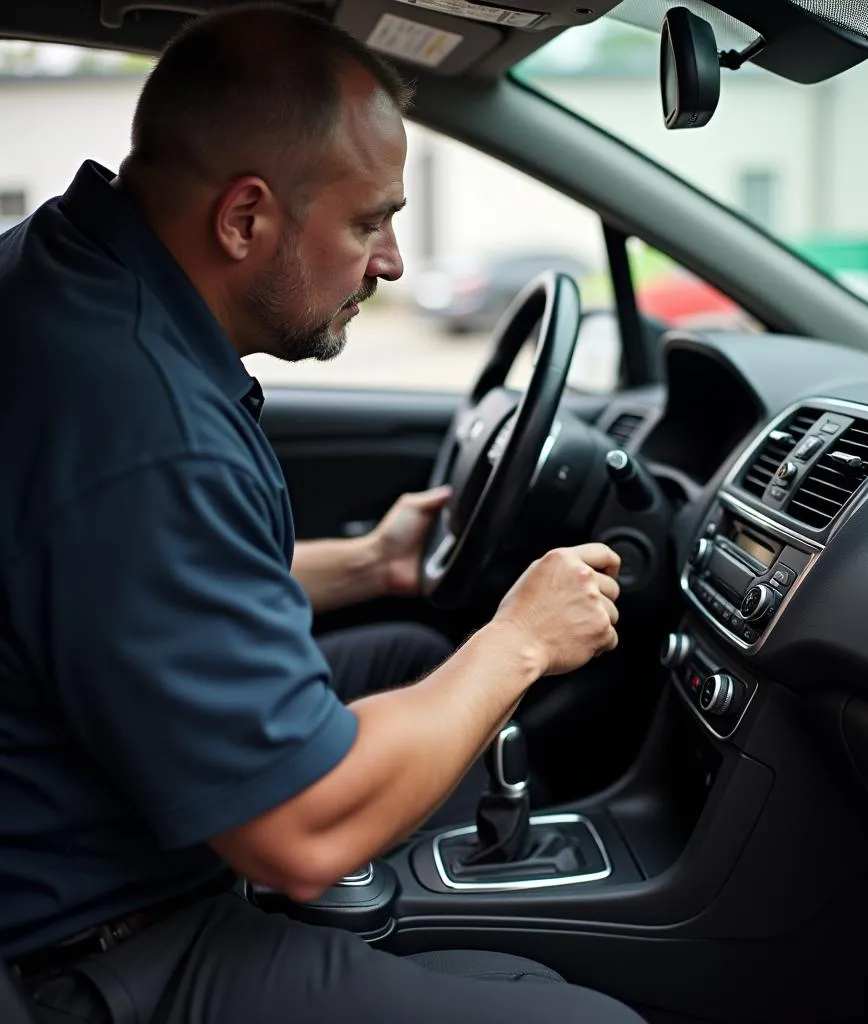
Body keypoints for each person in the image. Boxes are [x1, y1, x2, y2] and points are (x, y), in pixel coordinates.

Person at [0, 3, 644, 1023]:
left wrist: (367, 562)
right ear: (245, 218)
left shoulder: (70, 278)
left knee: (397, 652)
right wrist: (520, 641)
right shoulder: (143, 419)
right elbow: (298, 836)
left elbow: (105, 586)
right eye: (367, 221)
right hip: (83, 947)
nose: (389, 260)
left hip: (79, 802)